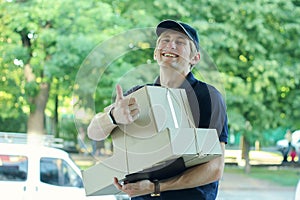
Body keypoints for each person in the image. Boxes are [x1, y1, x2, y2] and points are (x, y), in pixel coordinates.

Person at [87, 19, 228, 200]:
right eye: (165, 40)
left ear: (195, 58)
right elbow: (94, 132)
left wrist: (156, 187)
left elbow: (215, 168)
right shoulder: (138, 95)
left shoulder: (208, 96)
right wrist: (113, 117)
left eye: (180, 42)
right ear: (156, 53)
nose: (171, 45)